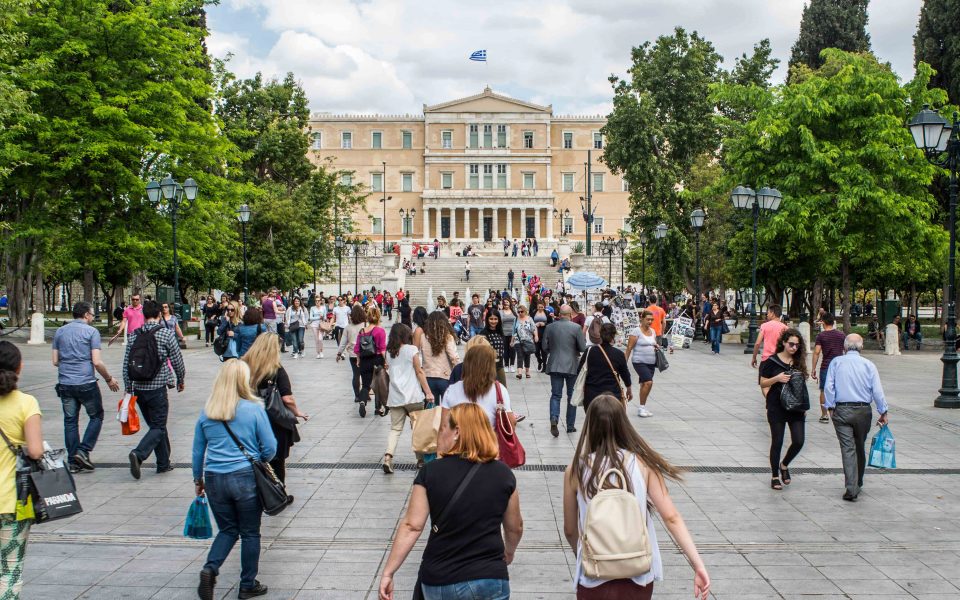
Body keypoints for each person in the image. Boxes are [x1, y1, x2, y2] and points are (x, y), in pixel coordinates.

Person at [563, 395, 710, 600]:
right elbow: (671, 517)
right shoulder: (643, 464)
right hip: (637, 574)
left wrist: (585, 553)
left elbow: (570, 529)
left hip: (593, 578)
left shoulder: (576, 470)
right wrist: (698, 564)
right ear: (624, 425)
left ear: (590, 426)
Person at [378, 403, 522, 600]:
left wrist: (389, 572)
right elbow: (515, 527)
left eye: (443, 427)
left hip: (442, 578)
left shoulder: (431, 472)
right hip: (490, 577)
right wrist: (509, 552)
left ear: (457, 432)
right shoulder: (503, 474)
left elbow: (412, 526)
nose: (440, 433)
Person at [193, 360, 277, 600]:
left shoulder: (208, 410)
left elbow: (198, 450)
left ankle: (210, 569)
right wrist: (258, 460)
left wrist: (197, 479)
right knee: (250, 533)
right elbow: (270, 447)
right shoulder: (254, 409)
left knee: (228, 530)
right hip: (245, 478)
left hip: (214, 479)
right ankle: (247, 584)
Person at [52, 301, 120, 473]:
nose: (92, 317)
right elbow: (96, 361)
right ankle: (83, 451)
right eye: (91, 314)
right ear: (86, 315)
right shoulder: (91, 332)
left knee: (70, 421)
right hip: (85, 382)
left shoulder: (60, 331)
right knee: (96, 416)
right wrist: (109, 378)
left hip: (65, 383)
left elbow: (55, 361)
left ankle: (73, 461)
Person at [0, 341, 44, 597]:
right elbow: (36, 451)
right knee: (10, 569)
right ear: (19, 367)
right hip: (12, 502)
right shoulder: (26, 403)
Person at [123, 300, 186, 480]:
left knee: (156, 426)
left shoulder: (134, 335)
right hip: (157, 388)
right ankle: (139, 454)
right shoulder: (165, 334)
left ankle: (163, 463)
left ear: (143, 316)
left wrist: (128, 387)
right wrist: (181, 379)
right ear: (159, 315)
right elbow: (177, 360)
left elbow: (127, 363)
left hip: (139, 389)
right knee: (158, 426)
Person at [824, 334, 889, 501]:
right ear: (861, 347)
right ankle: (857, 481)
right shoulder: (869, 365)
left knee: (848, 448)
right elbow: (877, 391)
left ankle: (851, 487)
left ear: (844, 348)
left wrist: (830, 407)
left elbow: (829, 387)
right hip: (863, 411)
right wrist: (883, 411)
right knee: (859, 445)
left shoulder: (836, 362)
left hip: (842, 410)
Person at [242, 334, 308, 483]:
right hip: (274, 420)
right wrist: (297, 412)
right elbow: (287, 398)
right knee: (277, 462)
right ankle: (278, 492)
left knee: (253, 458)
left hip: (248, 419)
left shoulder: (243, 366)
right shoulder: (276, 369)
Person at [759, 328, 808, 491]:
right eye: (791, 344)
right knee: (777, 441)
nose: (794, 348)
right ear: (784, 343)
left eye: (797, 345)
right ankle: (774, 475)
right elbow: (763, 383)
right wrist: (777, 378)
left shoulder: (799, 361)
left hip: (796, 407)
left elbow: (801, 385)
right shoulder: (771, 361)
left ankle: (784, 464)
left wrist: (803, 404)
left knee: (799, 441)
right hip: (776, 406)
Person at [382, 324, 434, 473]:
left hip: (395, 397)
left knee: (395, 429)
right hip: (413, 396)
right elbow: (419, 371)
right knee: (417, 429)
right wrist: (428, 392)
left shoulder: (389, 353)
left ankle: (388, 456)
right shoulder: (411, 350)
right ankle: (420, 460)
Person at [442, 343, 513, 428]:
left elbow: (444, 423)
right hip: (489, 439)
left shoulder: (452, 389)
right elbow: (510, 422)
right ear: (489, 366)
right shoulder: (499, 390)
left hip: (459, 439)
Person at [543, 305, 586, 436]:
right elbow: (583, 347)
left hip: (555, 364)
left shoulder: (550, 327)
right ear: (570, 315)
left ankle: (554, 418)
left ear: (559, 314)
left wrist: (554, 350)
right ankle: (570, 426)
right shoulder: (576, 328)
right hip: (571, 365)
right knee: (571, 396)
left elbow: (544, 346)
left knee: (556, 395)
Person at [577, 323, 632, 411]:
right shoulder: (619, 354)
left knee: (593, 423)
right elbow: (625, 374)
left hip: (592, 395)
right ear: (613, 335)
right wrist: (629, 389)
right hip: (613, 395)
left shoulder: (589, 351)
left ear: (600, 334)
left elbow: (579, 371)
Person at [420, 312, 460, 405]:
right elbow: (454, 357)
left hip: (428, 378)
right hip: (445, 376)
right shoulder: (447, 336)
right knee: (448, 409)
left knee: (432, 412)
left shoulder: (423, 337)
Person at [811, 313, 845, 423]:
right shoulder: (841, 335)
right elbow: (846, 349)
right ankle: (838, 413)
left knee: (823, 390)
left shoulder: (821, 336)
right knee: (839, 389)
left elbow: (816, 352)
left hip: (826, 366)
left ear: (823, 322)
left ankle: (824, 415)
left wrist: (813, 368)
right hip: (839, 366)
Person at [624, 310, 658, 418]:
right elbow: (629, 348)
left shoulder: (653, 331)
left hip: (651, 362)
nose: (650, 321)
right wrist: (624, 363)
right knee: (648, 382)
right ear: (642, 319)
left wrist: (656, 346)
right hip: (639, 361)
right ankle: (641, 408)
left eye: (652, 319)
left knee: (644, 384)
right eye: (648, 319)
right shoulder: (636, 331)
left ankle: (642, 407)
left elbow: (653, 343)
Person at [355, 306, 387, 418]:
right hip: (377, 360)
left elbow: (357, 349)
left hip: (364, 360)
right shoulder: (380, 331)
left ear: (367, 317)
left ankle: (362, 401)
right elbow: (382, 349)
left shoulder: (362, 331)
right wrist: (386, 361)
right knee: (378, 385)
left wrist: (358, 360)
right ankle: (377, 409)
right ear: (378, 317)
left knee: (365, 385)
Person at [337, 304, 367, 405]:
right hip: (365, 354)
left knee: (356, 375)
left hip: (353, 354)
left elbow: (343, 342)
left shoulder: (348, 327)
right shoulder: (365, 325)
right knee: (365, 375)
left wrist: (339, 353)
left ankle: (357, 396)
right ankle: (365, 393)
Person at [751, 305, 788, 369]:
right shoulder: (785, 328)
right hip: (780, 360)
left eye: (768, 313)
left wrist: (754, 357)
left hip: (767, 359)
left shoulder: (764, 326)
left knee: (763, 379)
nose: (767, 315)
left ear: (772, 314)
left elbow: (757, 343)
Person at [479, 311, 508, 386]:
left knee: (503, 389)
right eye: (491, 319)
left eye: (495, 319)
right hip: (487, 367)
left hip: (499, 365)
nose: (493, 321)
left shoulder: (500, 332)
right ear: (487, 320)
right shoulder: (483, 333)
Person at [512, 305, 537, 379]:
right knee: (520, 355)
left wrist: (536, 336)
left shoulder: (530, 319)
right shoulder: (516, 319)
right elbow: (513, 331)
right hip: (518, 340)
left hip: (528, 340)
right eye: (518, 312)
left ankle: (527, 371)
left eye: (521, 311)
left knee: (527, 356)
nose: (520, 313)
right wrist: (511, 341)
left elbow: (534, 328)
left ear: (525, 311)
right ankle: (519, 373)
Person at [532, 301, 553, 372]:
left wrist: (544, 324)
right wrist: (535, 324)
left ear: (544, 307)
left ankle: (544, 365)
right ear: (537, 307)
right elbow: (530, 322)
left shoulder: (547, 313)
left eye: (542, 307)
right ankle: (539, 360)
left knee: (544, 350)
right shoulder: (533, 313)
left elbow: (551, 323)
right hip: (536, 333)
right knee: (536, 350)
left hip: (545, 333)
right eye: (539, 307)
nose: (540, 308)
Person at [500, 298, 518, 373]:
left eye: (507, 302)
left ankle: (512, 365)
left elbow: (517, 321)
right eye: (505, 303)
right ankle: (506, 365)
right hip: (504, 333)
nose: (506, 304)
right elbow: (499, 321)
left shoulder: (514, 312)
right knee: (505, 350)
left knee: (512, 349)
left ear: (510, 303)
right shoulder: (501, 312)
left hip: (513, 333)